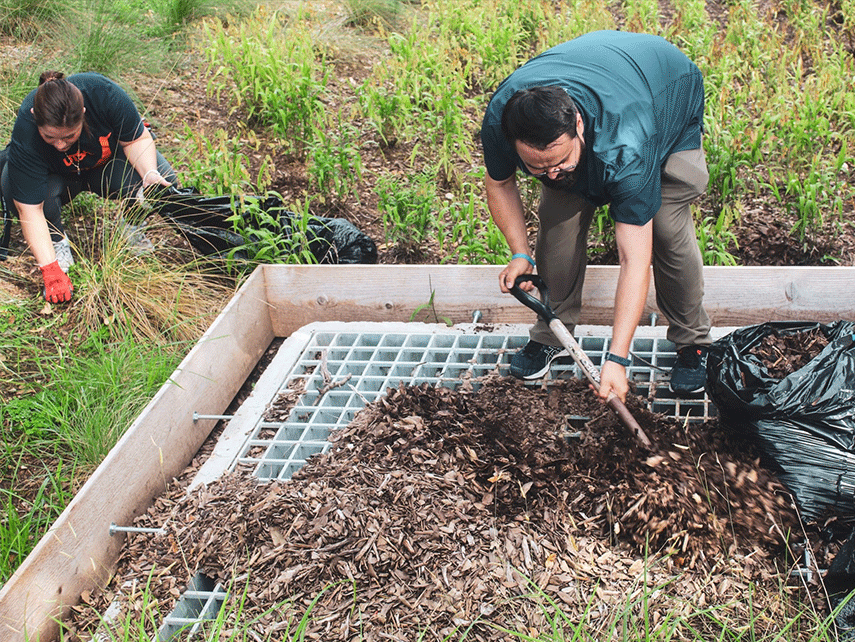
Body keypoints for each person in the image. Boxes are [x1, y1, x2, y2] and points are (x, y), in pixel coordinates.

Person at [481, 31, 712, 399]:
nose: (551, 174)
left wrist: (616, 360)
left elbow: (633, 259)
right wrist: (520, 254)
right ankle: (552, 332)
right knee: (558, 220)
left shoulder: (628, 147)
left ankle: (693, 341)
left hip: (666, 91)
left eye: (559, 162)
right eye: (536, 168)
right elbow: (500, 184)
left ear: (578, 126)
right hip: (606, 71)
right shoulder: (502, 119)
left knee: (667, 226)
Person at [1, 71, 175, 304]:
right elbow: (29, 209)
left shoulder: (103, 94)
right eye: (50, 137)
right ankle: (56, 242)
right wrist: (49, 269)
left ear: (83, 114)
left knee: (163, 180)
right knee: (16, 192)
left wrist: (150, 175)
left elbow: (136, 140)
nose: (60, 144)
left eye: (69, 136)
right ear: (35, 118)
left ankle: (131, 227)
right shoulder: (27, 124)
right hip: (58, 180)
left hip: (102, 166)